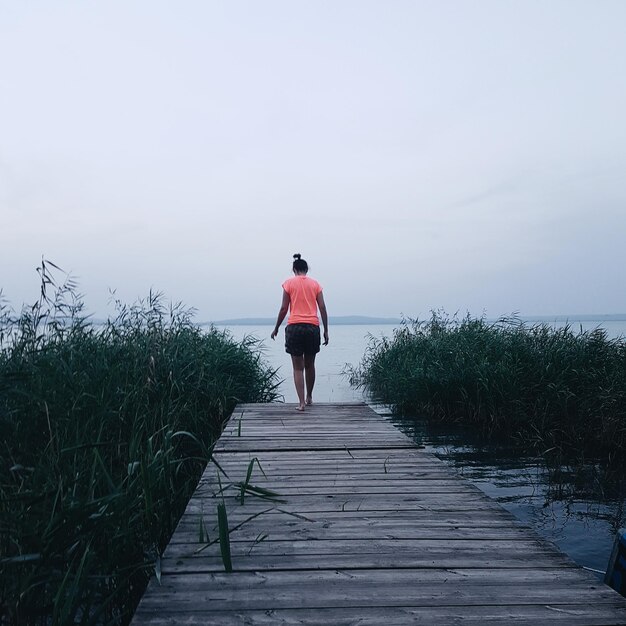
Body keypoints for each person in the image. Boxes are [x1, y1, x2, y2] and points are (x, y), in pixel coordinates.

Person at [271, 253, 329, 411]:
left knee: (298, 368)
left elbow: (284, 308)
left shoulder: (288, 283)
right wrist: (326, 330)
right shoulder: (315, 284)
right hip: (312, 327)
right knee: (310, 365)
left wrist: (276, 327)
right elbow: (322, 308)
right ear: (306, 269)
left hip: (294, 327)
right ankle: (310, 397)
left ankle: (301, 403)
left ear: (294, 269)